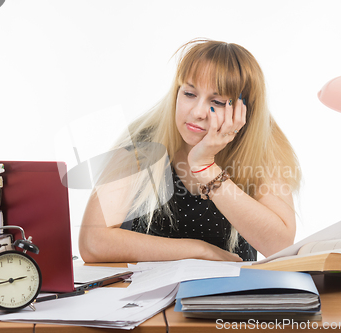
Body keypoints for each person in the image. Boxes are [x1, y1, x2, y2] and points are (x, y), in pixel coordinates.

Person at [79, 39, 301, 263]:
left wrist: (206, 166)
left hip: (228, 295)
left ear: (244, 111)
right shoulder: (144, 143)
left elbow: (279, 246)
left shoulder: (262, 149)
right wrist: (198, 251)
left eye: (217, 101)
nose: (197, 112)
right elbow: (93, 242)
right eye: (189, 94)